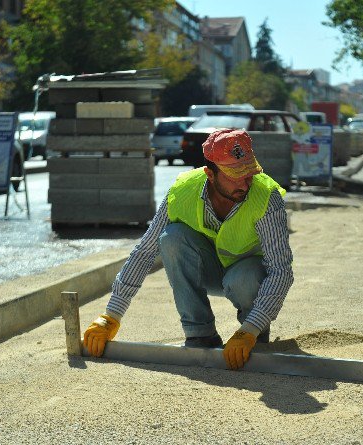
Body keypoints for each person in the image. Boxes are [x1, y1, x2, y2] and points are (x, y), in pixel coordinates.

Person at [83, 129, 294, 370]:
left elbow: (281, 272)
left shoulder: (266, 197)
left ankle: (254, 338)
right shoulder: (183, 191)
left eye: (249, 172)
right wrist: (111, 316)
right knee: (171, 239)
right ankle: (200, 335)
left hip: (247, 278)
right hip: (209, 271)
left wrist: (250, 329)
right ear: (210, 174)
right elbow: (145, 251)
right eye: (235, 175)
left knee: (245, 278)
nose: (246, 182)